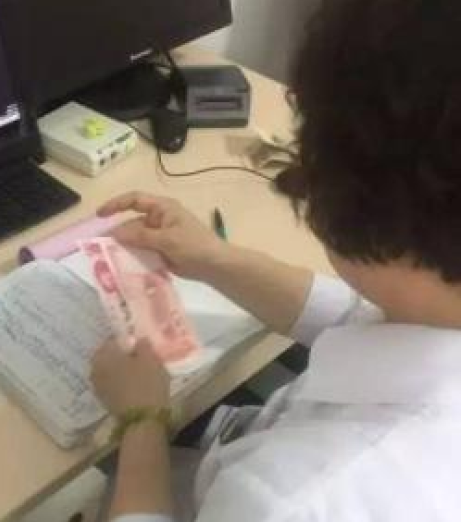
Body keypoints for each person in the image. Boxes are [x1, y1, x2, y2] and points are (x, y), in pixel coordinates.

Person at [90, 1, 461, 520]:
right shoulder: (433, 303)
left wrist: (143, 420)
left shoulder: (290, 501)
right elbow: (368, 316)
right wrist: (212, 258)